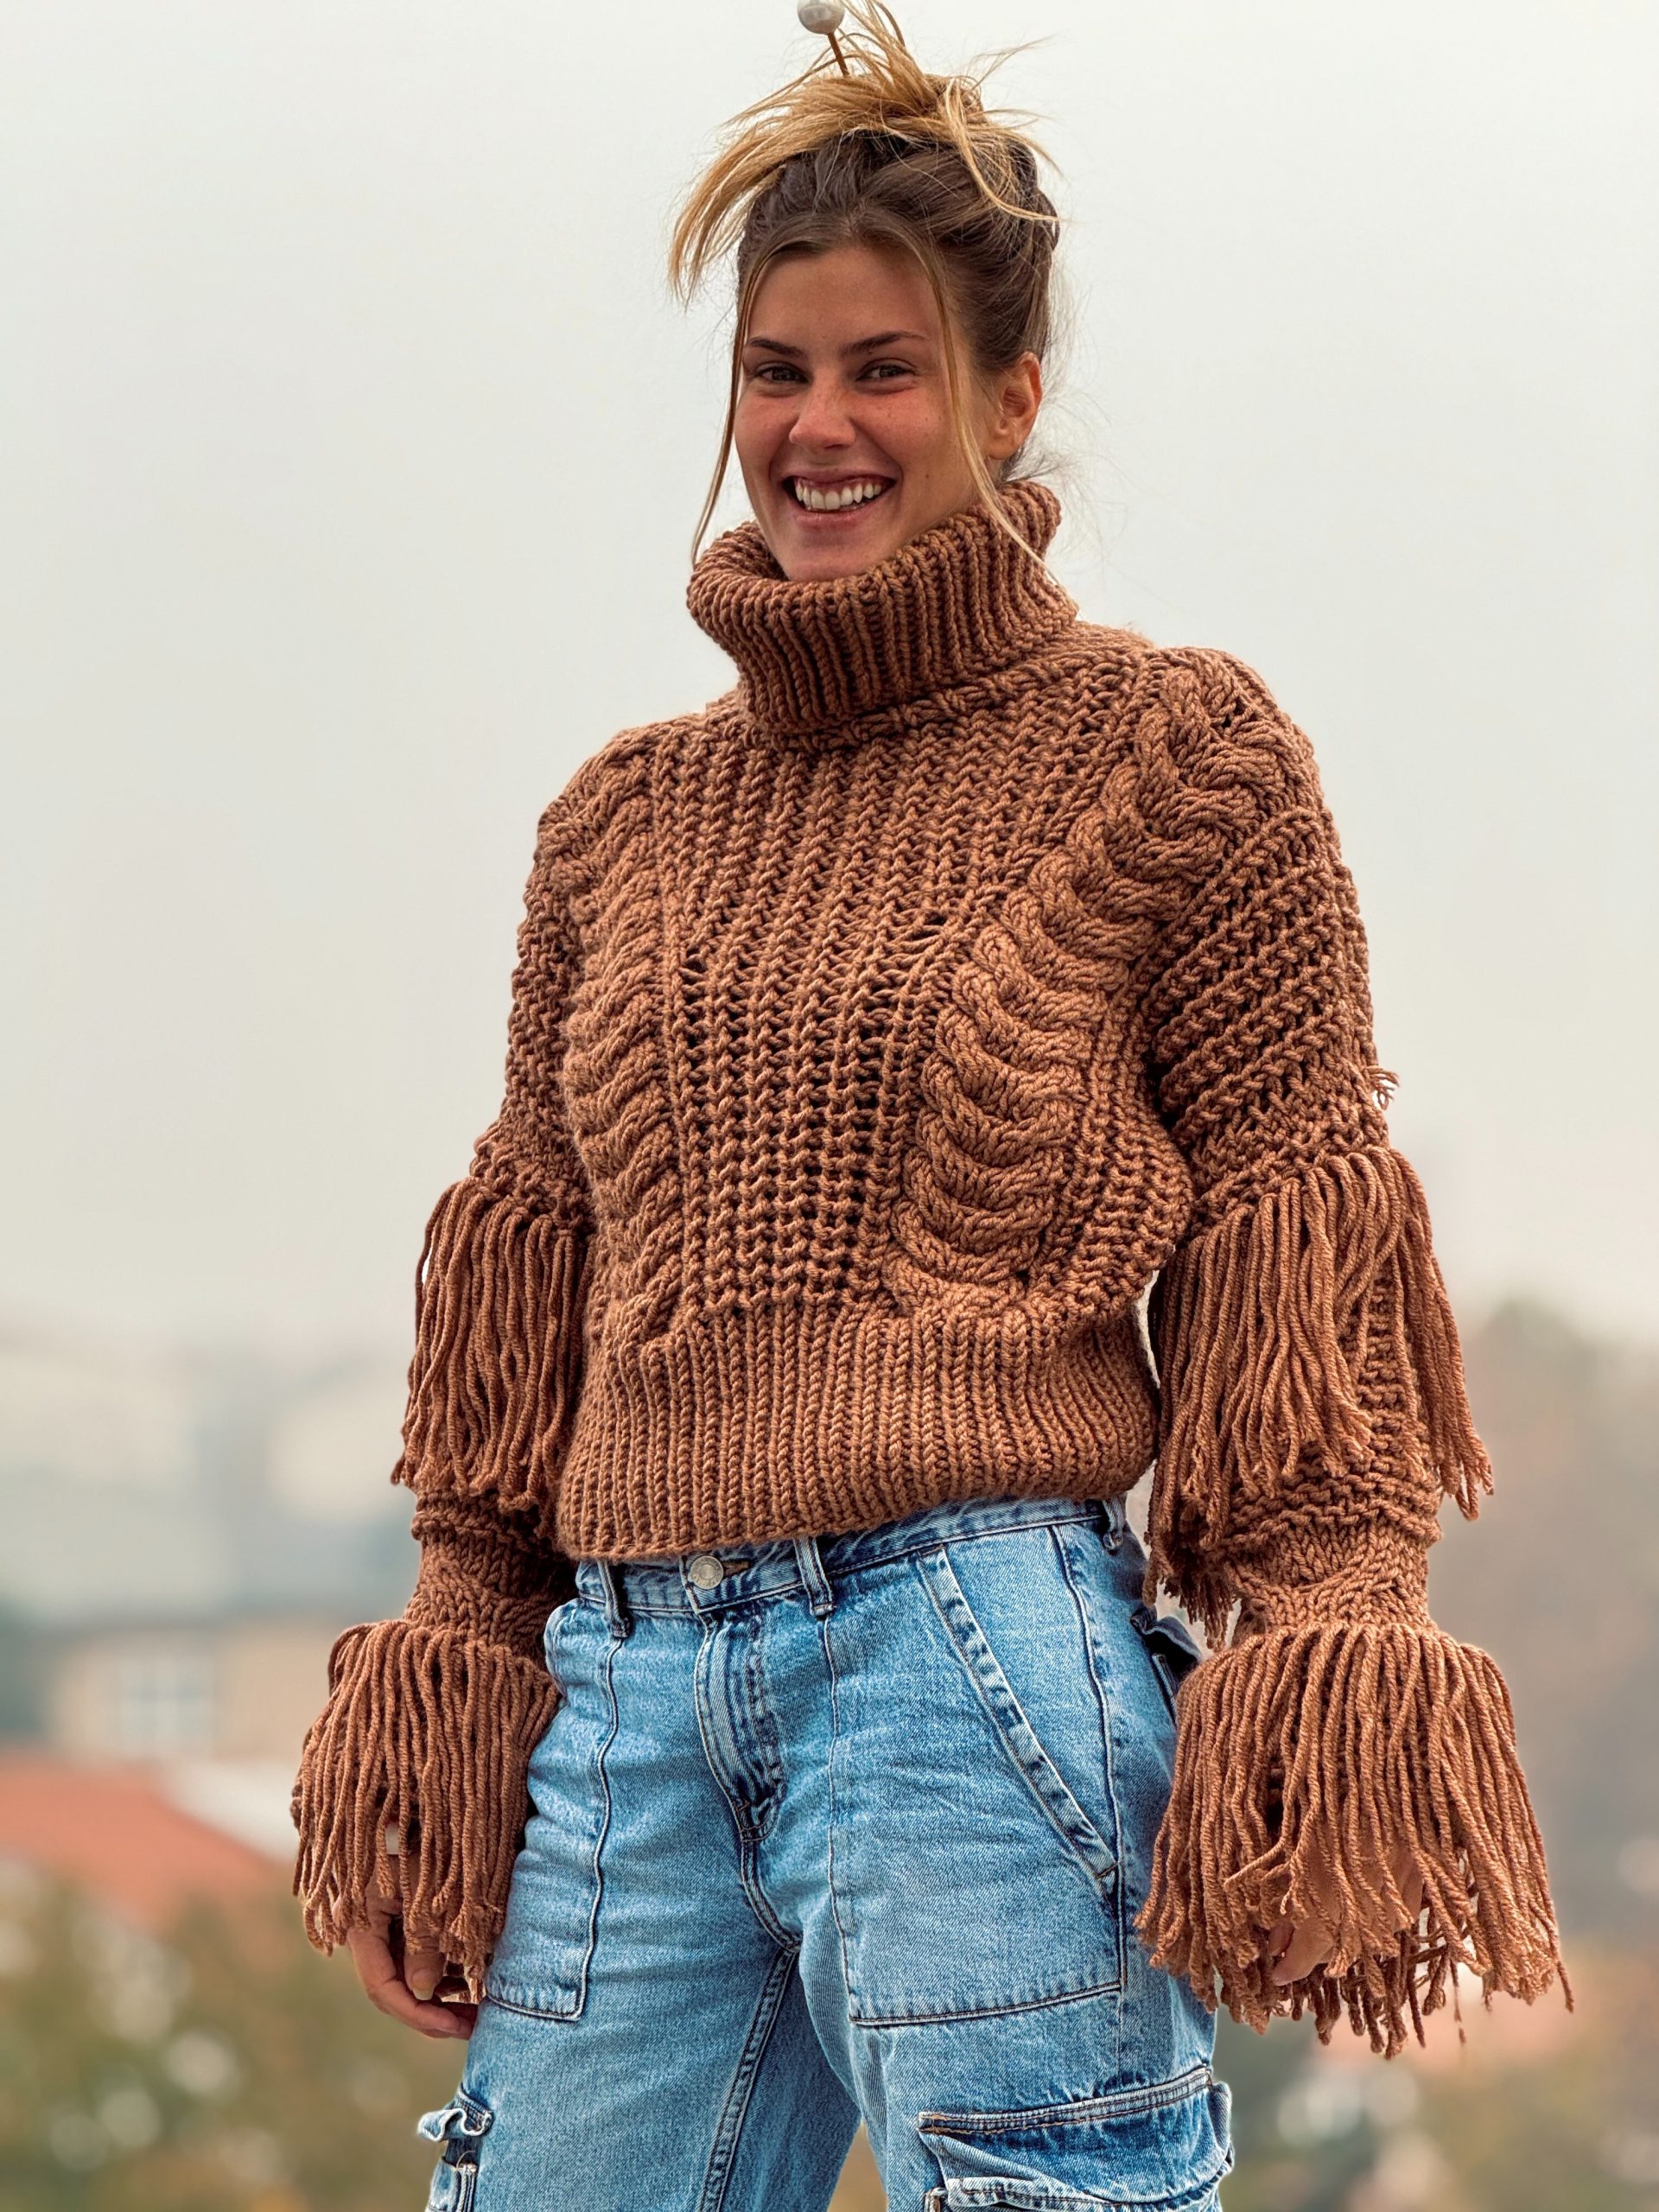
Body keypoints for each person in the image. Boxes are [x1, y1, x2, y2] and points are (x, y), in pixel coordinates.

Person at [289, 3, 1571, 2204]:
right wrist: (467, 1671)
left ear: (1008, 395)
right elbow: (529, 1292)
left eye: (882, 369)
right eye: (776, 371)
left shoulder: (1181, 758)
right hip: (631, 1694)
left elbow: (1294, 1236)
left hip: (969, 1662)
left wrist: (1330, 1632)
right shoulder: (617, 822)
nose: (819, 425)